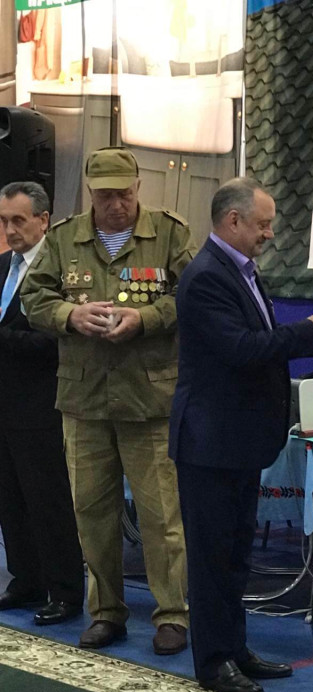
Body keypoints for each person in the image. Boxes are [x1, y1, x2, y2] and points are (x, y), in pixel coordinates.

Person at [169, 177, 313, 692]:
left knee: (237, 554)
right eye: (262, 224)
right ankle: (213, 662)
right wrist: (309, 332)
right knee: (212, 559)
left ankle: (235, 648)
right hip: (210, 443)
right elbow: (241, 349)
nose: (269, 233)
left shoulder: (239, 271)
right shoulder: (206, 277)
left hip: (237, 442)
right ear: (233, 220)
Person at [22, 147, 195, 655]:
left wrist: (146, 319)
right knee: (92, 514)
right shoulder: (64, 239)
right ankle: (107, 612)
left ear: (138, 188)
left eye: (124, 194)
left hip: (149, 399)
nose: (116, 205)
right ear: (90, 194)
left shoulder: (170, 235)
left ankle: (172, 614)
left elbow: (192, 296)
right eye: (105, 196)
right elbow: (34, 297)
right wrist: (69, 317)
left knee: (161, 516)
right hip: (84, 399)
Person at [0, 181, 84, 624]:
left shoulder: (62, 271)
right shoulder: (2, 266)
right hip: (4, 403)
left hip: (42, 403)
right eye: (4, 221)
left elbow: (56, 340)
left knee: (47, 500)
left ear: (43, 220)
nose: (10, 230)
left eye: (18, 220)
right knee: (10, 499)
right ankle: (26, 579)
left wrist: (3, 339)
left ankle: (65, 589)